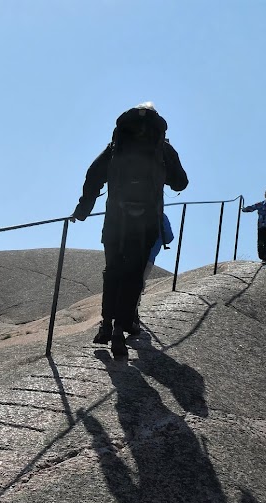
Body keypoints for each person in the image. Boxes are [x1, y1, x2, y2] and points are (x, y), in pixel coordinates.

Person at [71, 102, 188, 358]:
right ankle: (121, 329)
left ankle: (105, 325)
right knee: (133, 275)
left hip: (115, 219)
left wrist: (83, 210)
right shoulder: (161, 146)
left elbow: (93, 175)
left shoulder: (116, 145)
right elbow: (182, 181)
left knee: (112, 271)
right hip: (145, 221)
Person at [132, 213, 173, 334]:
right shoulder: (161, 215)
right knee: (138, 283)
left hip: (130, 252)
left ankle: (124, 314)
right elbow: (169, 237)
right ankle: (132, 315)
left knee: (128, 281)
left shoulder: (135, 209)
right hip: (149, 256)